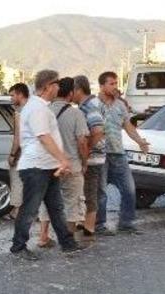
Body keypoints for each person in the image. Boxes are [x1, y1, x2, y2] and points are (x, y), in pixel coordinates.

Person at [10, 70, 86, 261]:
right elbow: (43, 137)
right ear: (47, 87)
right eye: (56, 84)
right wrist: (63, 159)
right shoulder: (37, 108)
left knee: (56, 207)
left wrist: (58, 160)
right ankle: (18, 247)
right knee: (30, 209)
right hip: (36, 167)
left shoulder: (41, 107)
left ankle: (67, 243)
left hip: (46, 166)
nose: (58, 88)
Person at [37, 77, 90, 248]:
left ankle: (43, 236)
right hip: (71, 164)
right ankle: (68, 240)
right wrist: (85, 162)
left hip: (48, 165)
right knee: (71, 202)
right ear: (70, 93)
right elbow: (82, 142)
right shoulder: (76, 113)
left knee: (47, 200)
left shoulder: (45, 111)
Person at [96, 72, 150, 235]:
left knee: (129, 189)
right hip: (101, 154)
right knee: (101, 192)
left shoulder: (120, 105)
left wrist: (140, 141)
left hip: (118, 153)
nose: (115, 87)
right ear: (102, 85)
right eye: (111, 83)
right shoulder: (94, 104)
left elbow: (128, 125)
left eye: (116, 83)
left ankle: (126, 223)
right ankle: (99, 225)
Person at [73, 75, 107, 238]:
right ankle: (84, 223)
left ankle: (89, 227)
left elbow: (97, 131)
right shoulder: (88, 105)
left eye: (72, 90)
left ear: (78, 89)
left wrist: (86, 151)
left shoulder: (90, 106)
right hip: (93, 156)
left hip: (92, 158)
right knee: (86, 192)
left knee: (90, 192)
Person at [6, 82, 30, 221]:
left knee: (16, 180)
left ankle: (16, 210)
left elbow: (18, 136)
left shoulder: (19, 112)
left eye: (12, 95)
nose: (11, 99)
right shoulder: (34, 109)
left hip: (22, 153)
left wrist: (12, 154)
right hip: (34, 152)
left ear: (20, 94)